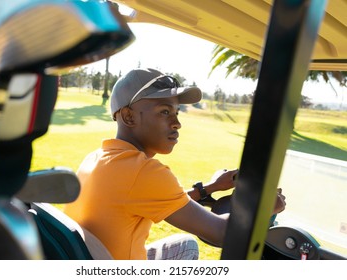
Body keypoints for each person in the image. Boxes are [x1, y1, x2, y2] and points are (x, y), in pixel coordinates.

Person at [64, 68, 286, 260]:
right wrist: (264, 205)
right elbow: (222, 232)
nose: (177, 123)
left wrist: (208, 189)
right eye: (164, 112)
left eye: (176, 113)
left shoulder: (98, 157)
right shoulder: (143, 171)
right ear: (129, 117)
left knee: (184, 245)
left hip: (97, 260)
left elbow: (162, 202)